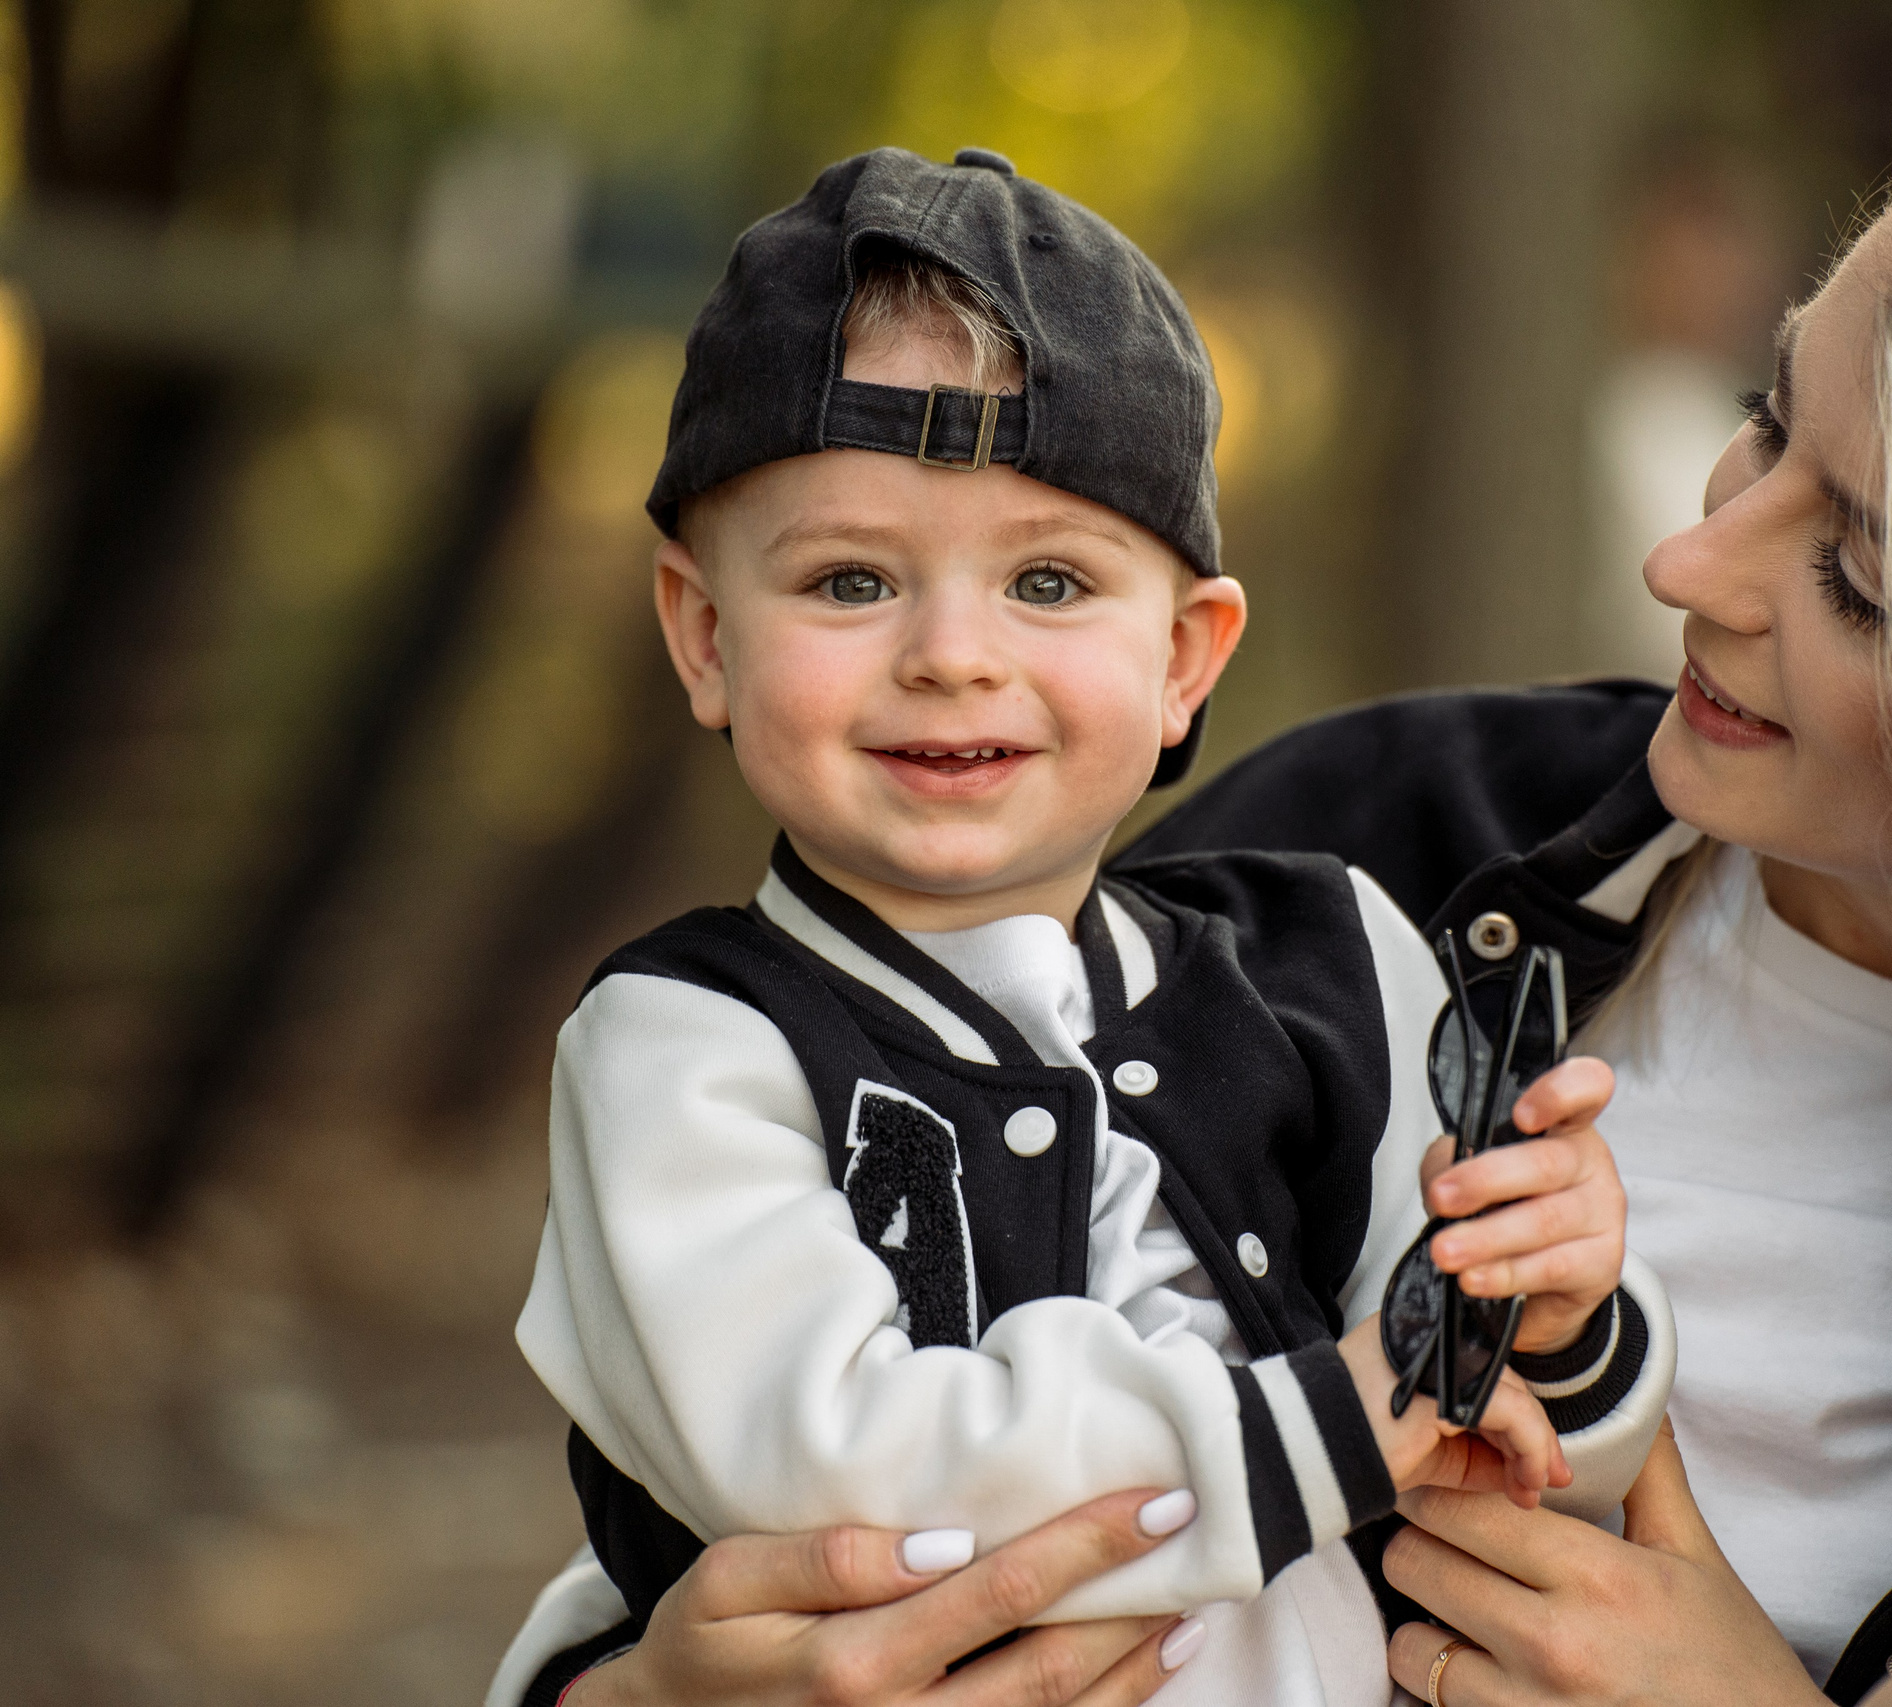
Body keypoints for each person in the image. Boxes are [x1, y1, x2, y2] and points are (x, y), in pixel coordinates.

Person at [510, 30, 1892, 1707]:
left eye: (1850, 574)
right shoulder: (1353, 872)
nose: (1688, 565)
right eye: (1760, 426)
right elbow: (754, 1448)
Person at [494, 147, 1674, 1707]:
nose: (953, 656)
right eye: (851, 582)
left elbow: (1498, 1444)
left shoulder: (1334, 957)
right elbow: (838, 1480)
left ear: (1188, 658)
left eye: (1049, 581)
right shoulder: (687, 1050)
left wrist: (1554, 1315)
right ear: (706, 638)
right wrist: (1321, 1424)